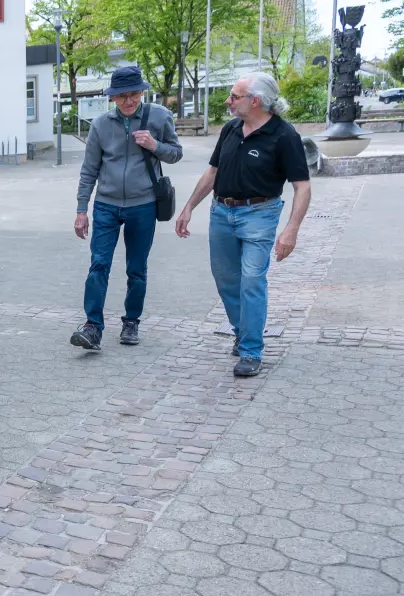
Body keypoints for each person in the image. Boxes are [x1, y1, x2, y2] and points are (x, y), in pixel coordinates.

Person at [176, 73, 311, 377]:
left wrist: (291, 230)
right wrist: (189, 207)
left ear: (256, 101)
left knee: (251, 281)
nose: (228, 101)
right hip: (221, 213)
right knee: (225, 279)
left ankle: (251, 350)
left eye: (234, 96)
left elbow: (302, 186)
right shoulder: (231, 129)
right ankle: (242, 330)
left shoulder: (284, 136)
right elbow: (212, 173)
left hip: (260, 215)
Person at [71, 66, 183, 351]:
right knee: (99, 265)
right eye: (122, 96)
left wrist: (155, 145)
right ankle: (92, 327)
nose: (129, 101)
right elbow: (89, 170)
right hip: (106, 205)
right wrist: (82, 210)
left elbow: (176, 153)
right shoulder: (100, 125)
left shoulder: (159, 116)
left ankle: (131, 321)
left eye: (134, 94)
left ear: (142, 92)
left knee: (136, 268)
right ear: (112, 97)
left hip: (143, 205)